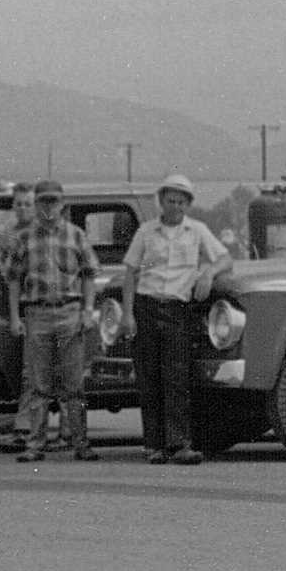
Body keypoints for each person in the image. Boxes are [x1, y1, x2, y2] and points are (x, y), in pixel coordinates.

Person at [120, 174, 231, 466]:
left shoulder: (197, 231)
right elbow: (130, 273)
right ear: (161, 201)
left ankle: (179, 444)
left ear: (189, 204)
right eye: (171, 199)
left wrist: (207, 273)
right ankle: (153, 446)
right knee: (149, 378)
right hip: (146, 307)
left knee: (177, 379)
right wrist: (128, 314)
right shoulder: (146, 232)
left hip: (177, 311)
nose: (176, 205)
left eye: (182, 201)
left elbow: (224, 258)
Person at [3, 179, 101, 463]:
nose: (49, 207)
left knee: (74, 383)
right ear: (36, 204)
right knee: (38, 384)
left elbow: (89, 274)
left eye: (54, 201)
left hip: (70, 311)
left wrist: (87, 310)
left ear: (62, 204)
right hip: (37, 313)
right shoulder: (24, 238)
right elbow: (12, 279)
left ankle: (80, 443)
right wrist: (14, 317)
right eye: (43, 201)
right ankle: (35, 444)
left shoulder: (76, 235)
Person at [0, 182, 46, 452]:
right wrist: (0, 266)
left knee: (37, 372)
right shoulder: (8, 234)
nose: (23, 208)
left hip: (40, 304)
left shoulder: (41, 233)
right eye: (19, 203)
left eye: (28, 204)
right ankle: (28, 427)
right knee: (26, 371)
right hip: (18, 307)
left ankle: (29, 429)